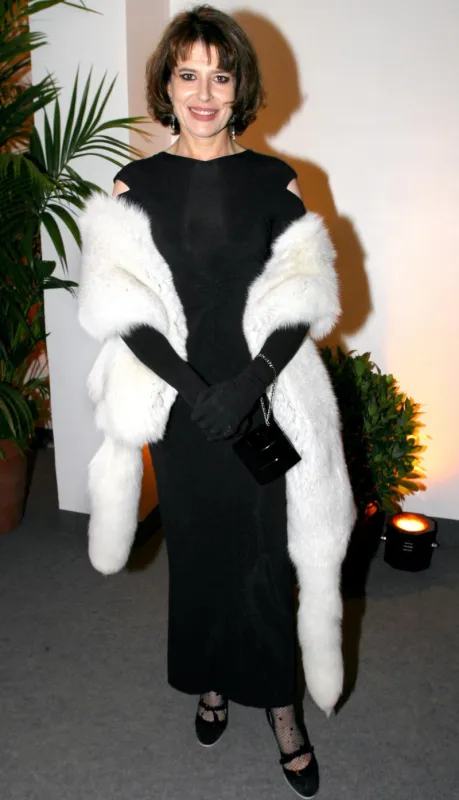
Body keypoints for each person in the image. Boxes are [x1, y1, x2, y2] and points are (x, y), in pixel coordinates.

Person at [77, 6, 356, 798]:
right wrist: (197, 393)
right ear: (167, 86)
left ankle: (280, 710)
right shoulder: (133, 186)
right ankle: (208, 680)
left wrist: (246, 385)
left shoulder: (274, 180)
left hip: (262, 400)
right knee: (198, 555)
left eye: (220, 76)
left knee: (264, 560)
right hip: (179, 408)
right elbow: (122, 307)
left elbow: (305, 294)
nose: (204, 93)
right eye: (188, 75)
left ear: (241, 87)